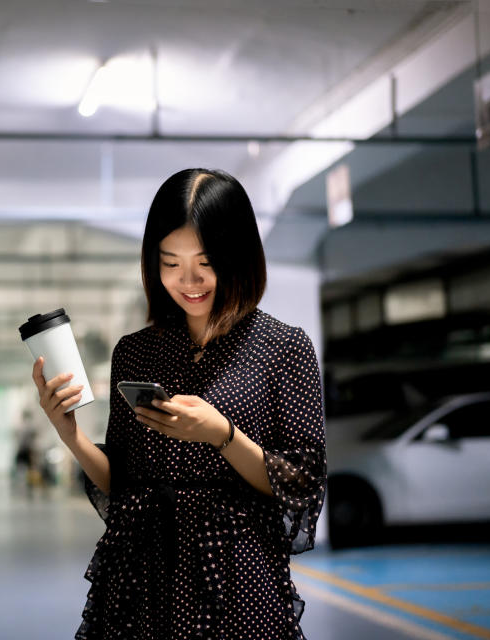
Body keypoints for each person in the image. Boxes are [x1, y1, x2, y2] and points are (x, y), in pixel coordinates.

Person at [31, 168, 326, 640]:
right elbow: (123, 481)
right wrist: (71, 435)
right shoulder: (135, 351)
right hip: (142, 577)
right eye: (170, 262)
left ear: (239, 256)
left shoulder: (283, 348)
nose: (187, 280)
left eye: (205, 261)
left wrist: (222, 435)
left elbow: (302, 479)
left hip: (236, 577)